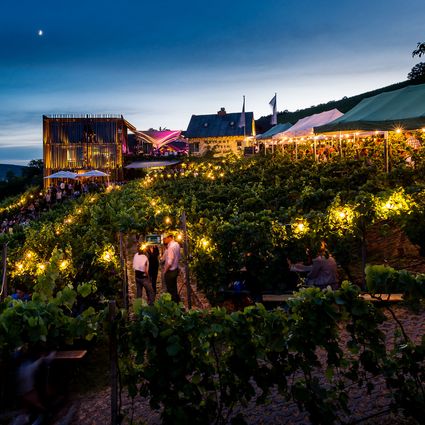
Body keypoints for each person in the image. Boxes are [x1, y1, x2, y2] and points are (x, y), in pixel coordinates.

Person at [162, 234, 181, 303]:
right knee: (174, 288)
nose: (164, 240)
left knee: (170, 290)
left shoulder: (170, 247)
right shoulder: (177, 244)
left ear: (169, 238)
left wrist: (165, 270)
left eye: (165, 238)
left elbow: (169, 262)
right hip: (175, 269)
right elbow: (179, 257)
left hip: (170, 271)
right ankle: (177, 304)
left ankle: (173, 306)